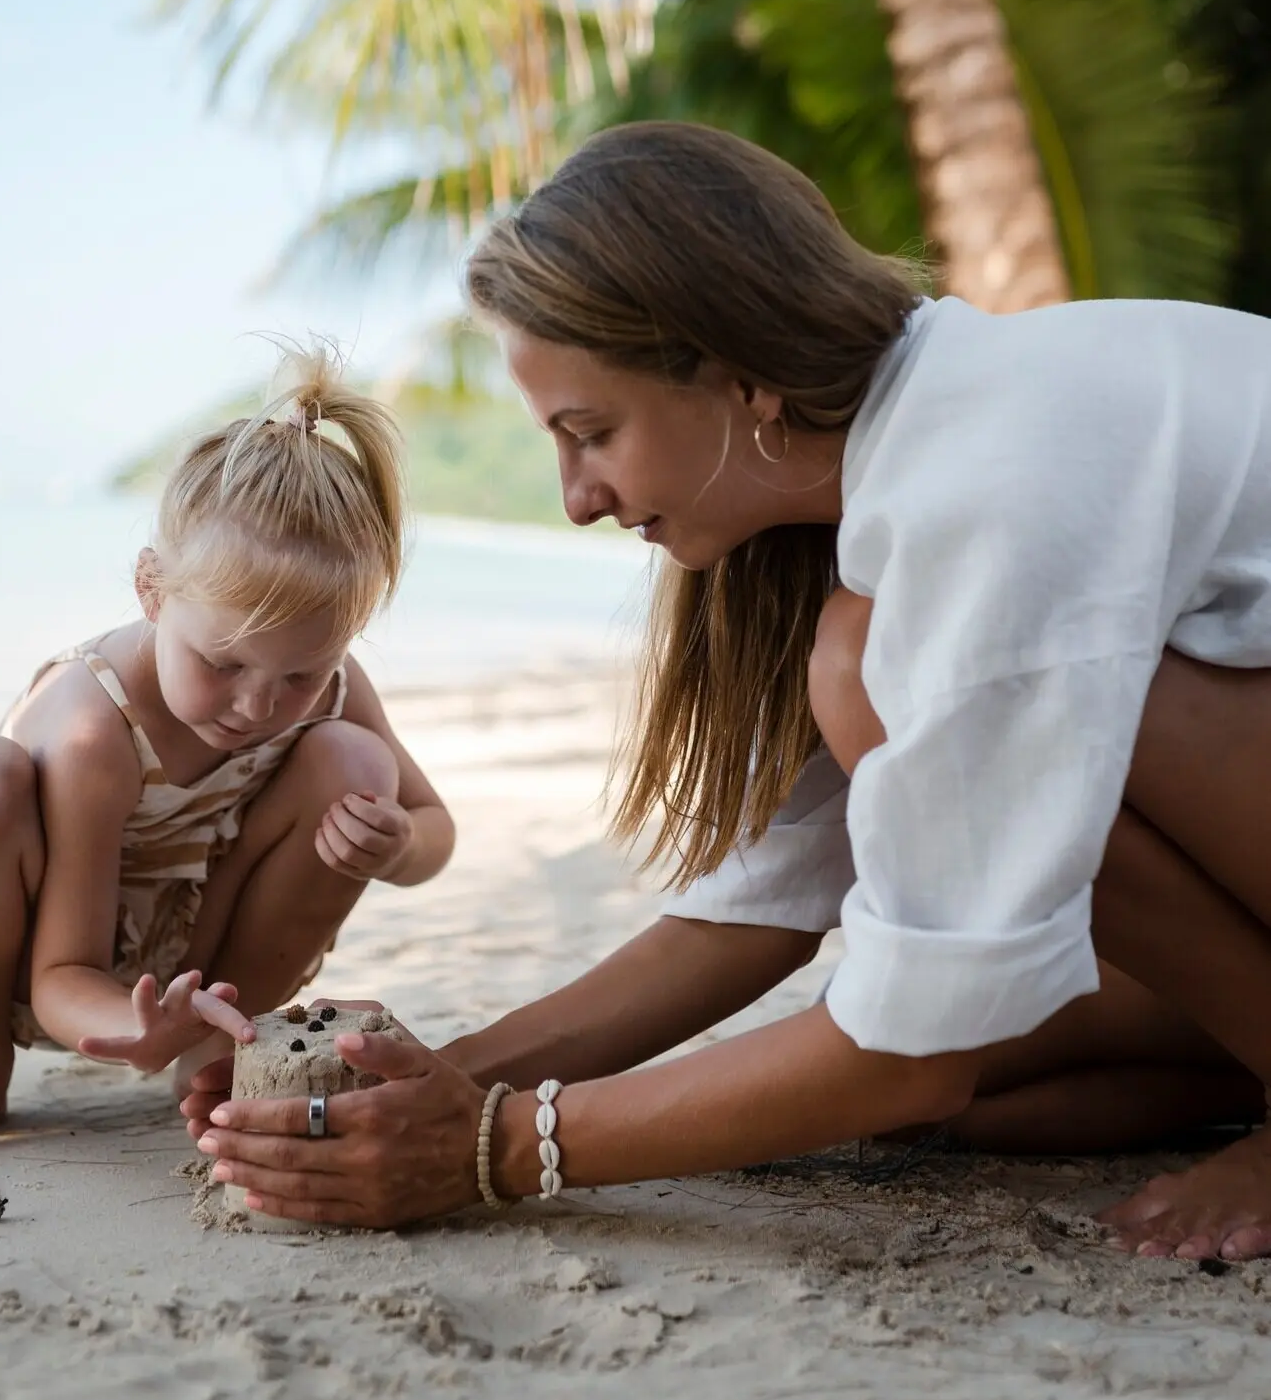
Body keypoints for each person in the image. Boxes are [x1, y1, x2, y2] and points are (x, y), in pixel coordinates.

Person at [189, 123, 1271, 1262]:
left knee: (868, 695)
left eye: (588, 432)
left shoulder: (980, 488)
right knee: (968, 1091)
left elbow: (917, 1033)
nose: (576, 499)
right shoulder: (905, 464)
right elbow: (766, 902)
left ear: (735, 372)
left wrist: (495, 1145)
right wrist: (415, 1076)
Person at [0, 348, 455, 1159]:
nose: (257, 706)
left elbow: (432, 833)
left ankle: (213, 1056)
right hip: (31, 965)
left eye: (299, 674)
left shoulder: (332, 687)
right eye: (222, 664)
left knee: (357, 765)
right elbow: (60, 972)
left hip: (201, 980)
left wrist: (399, 844)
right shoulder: (94, 724)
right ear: (151, 589)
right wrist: (131, 1026)